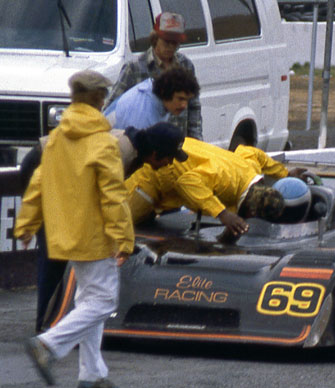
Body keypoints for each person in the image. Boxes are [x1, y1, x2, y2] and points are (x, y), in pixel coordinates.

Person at [15, 70, 134, 388]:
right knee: (102, 300)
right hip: (95, 236)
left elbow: (38, 185)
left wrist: (26, 224)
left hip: (63, 233)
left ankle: (92, 373)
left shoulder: (56, 139)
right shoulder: (102, 143)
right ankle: (48, 345)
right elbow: (113, 195)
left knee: (88, 300)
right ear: (98, 99)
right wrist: (124, 238)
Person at [125, 131, 311, 241]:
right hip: (152, 177)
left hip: (181, 161)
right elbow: (187, 182)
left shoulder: (249, 169)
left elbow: (251, 152)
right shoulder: (225, 180)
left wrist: (285, 173)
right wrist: (223, 214)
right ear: (252, 211)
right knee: (118, 223)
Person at [107, 12, 202, 140]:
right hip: (145, 146)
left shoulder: (186, 65)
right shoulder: (134, 68)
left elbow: (194, 107)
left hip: (179, 144)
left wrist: (197, 142)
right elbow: (112, 107)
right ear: (155, 38)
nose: (170, 47)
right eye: (166, 42)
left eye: (175, 43)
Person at [104, 66, 199, 134]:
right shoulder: (142, 113)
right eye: (180, 99)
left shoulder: (157, 97)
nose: (184, 105)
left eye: (187, 100)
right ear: (164, 91)